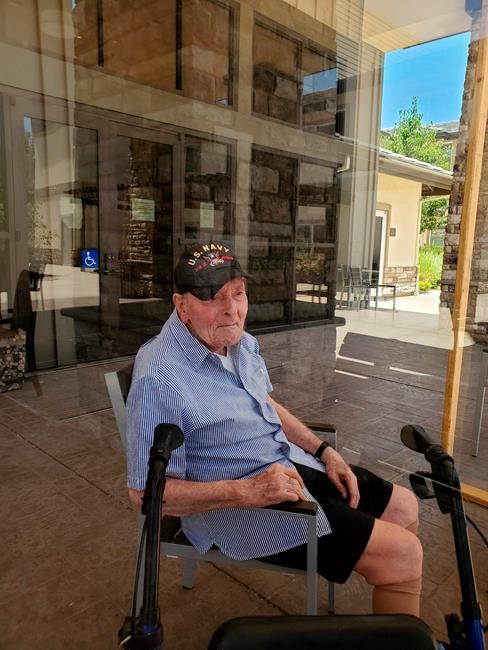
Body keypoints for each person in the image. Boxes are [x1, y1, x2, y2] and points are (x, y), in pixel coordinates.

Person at [126, 242, 423, 616]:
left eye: (238, 293)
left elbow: (263, 403)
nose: (232, 309)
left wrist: (322, 450)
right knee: (403, 554)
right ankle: (395, 616)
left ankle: (388, 595)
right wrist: (248, 491)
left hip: (289, 464)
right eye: (214, 297)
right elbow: (145, 495)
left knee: (405, 505)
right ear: (181, 305)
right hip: (240, 507)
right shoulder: (160, 379)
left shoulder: (237, 343)